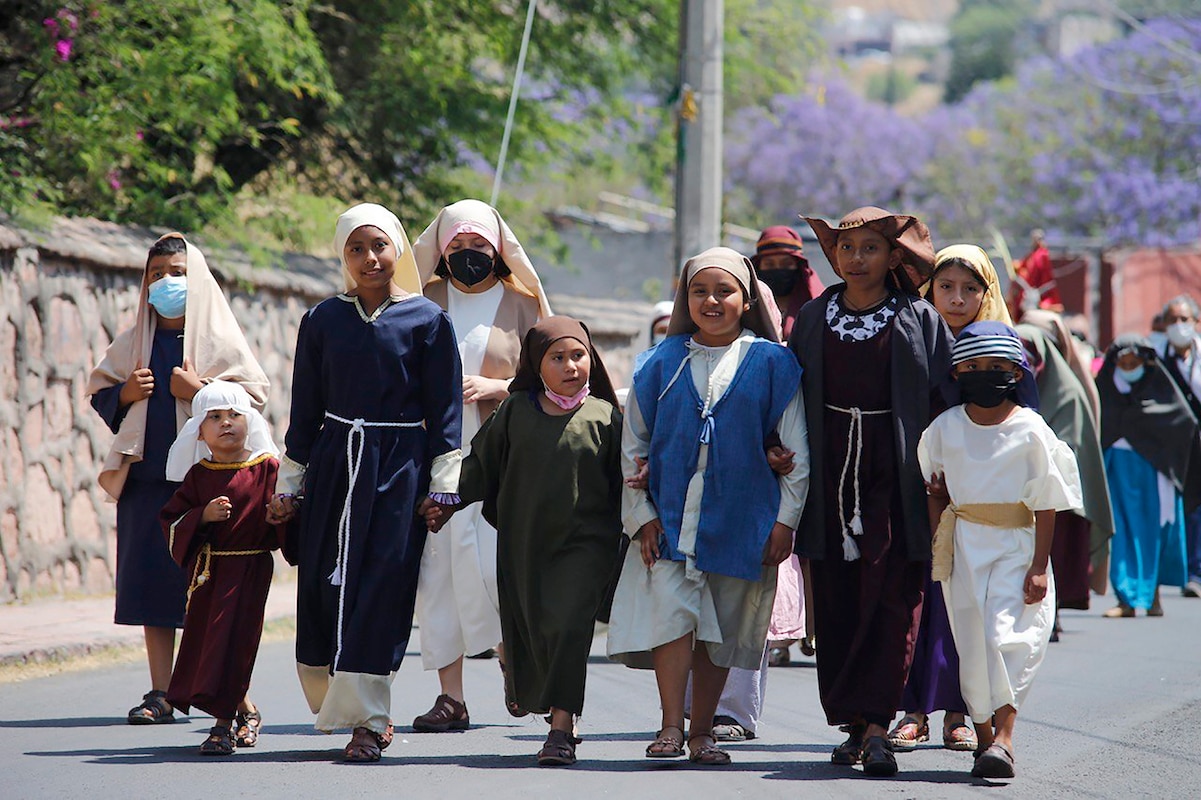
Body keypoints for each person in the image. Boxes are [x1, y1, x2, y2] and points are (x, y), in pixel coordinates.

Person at [269, 202, 462, 762]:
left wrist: (442, 485)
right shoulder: (322, 320)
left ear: (398, 249)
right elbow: (303, 412)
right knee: (326, 590)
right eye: (357, 248)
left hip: (399, 468)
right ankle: (339, 703)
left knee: (383, 586)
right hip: (334, 466)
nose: (370, 258)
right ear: (343, 256)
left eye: (379, 245)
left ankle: (370, 721)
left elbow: (444, 413)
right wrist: (290, 484)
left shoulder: (427, 319)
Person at [609, 246, 808, 766]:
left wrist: (786, 521)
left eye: (725, 291)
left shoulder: (772, 363)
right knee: (673, 620)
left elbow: (797, 448)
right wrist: (643, 516)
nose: (712, 300)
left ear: (746, 300)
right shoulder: (660, 362)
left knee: (718, 629)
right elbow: (634, 445)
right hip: (671, 517)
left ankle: (704, 732)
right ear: (685, 298)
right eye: (699, 290)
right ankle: (670, 727)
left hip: (742, 518)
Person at [789, 206, 953, 777]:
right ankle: (853, 724)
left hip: (898, 475)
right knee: (835, 597)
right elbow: (789, 396)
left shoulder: (918, 316)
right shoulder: (811, 318)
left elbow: (942, 401)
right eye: (845, 248)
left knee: (892, 597)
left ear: (893, 257)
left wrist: (940, 475)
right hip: (829, 472)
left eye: (869, 249)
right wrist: (779, 448)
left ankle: (880, 725)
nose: (855, 259)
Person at [87, 233, 269, 726]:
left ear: (199, 279)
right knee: (153, 585)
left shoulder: (220, 341)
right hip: (147, 484)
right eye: (156, 275)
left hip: (209, 483)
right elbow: (101, 393)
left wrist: (202, 389)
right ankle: (160, 691)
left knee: (210, 586)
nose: (166, 283)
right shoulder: (132, 344)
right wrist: (125, 393)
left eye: (178, 273)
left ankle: (230, 692)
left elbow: (253, 399)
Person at [427, 316, 623, 766]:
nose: (572, 365)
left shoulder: (606, 417)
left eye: (580, 356)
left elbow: (624, 483)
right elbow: (480, 465)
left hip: (586, 546)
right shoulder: (514, 411)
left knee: (569, 627)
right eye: (558, 357)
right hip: (525, 543)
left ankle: (561, 727)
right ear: (536, 363)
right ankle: (525, 687)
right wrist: (447, 501)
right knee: (534, 627)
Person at [919, 321, 1083, 779]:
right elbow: (935, 489)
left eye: (995, 366)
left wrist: (1038, 567)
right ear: (956, 373)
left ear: (1015, 372)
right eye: (972, 365)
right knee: (972, 644)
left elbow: (1047, 501)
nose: (984, 373)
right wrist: (941, 543)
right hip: (964, 547)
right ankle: (986, 739)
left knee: (1007, 638)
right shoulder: (944, 428)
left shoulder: (1031, 429)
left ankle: (1006, 738)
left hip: (1017, 543)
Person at [410, 198, 550, 730]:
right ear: (442, 251)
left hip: (503, 455)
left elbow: (554, 377)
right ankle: (451, 697)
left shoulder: (523, 304)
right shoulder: (423, 300)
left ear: (499, 250)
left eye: (480, 246)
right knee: (440, 568)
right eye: (458, 246)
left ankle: (517, 671)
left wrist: (499, 386)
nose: (469, 255)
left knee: (499, 566)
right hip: (436, 457)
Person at [893, 243, 1014, 754]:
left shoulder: (1001, 349)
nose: (957, 298)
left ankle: (962, 715)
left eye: (970, 289)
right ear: (929, 290)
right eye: (946, 287)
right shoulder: (913, 337)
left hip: (979, 503)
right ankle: (913, 711)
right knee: (916, 604)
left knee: (967, 611)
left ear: (987, 294)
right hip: (920, 492)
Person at [159, 381, 281, 755]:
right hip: (209, 573)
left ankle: (221, 726)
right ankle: (247, 712)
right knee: (212, 646)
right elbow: (172, 521)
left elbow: (288, 517)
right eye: (215, 417)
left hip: (249, 569)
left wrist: (283, 512)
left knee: (236, 644)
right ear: (200, 430)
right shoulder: (199, 475)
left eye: (234, 415)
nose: (226, 423)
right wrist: (202, 515)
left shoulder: (266, 469)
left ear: (251, 422)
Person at [1096, 336, 1200, 618]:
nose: (1129, 368)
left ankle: (1152, 595)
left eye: (1135, 363)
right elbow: (1097, 426)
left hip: (1154, 474)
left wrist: (1167, 463)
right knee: (1120, 534)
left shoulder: (1161, 391)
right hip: (1117, 469)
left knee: (1153, 534)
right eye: (1123, 363)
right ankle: (1125, 600)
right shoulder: (1105, 392)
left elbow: (1185, 423)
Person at [1016, 318, 1114, 617]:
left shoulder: (1067, 394)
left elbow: (1069, 454)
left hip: (1054, 502)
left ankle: (1053, 612)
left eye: (1031, 352)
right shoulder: (1006, 389)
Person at [1152, 295, 1201, 598]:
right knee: (1169, 507)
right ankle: (1164, 572)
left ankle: (1195, 572)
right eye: (1173, 320)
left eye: (1185, 320)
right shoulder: (1155, 357)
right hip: (1168, 445)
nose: (1179, 326)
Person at [750, 225, 825, 341]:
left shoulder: (819, 306)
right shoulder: (747, 307)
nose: (778, 269)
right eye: (769, 264)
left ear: (798, 266)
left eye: (786, 264)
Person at [1008, 228, 1063, 318]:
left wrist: (1023, 274)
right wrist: (1016, 266)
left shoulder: (1042, 254)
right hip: (1028, 287)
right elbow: (1023, 264)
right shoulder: (1032, 253)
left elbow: (1035, 272)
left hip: (1038, 289)